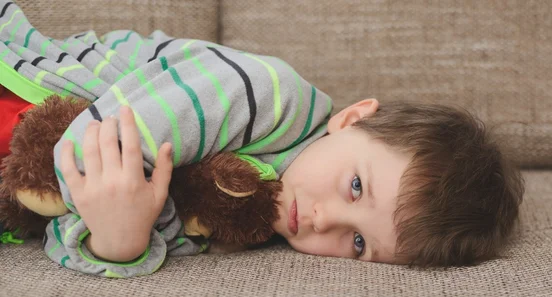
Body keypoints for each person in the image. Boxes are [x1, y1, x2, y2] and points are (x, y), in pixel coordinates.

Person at [0, 1, 524, 277]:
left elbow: (57, 232)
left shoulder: (246, 219)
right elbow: (98, 143)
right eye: (356, 188)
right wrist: (98, 201)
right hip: (30, 92)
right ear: (353, 119)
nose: (325, 221)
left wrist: (119, 245)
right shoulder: (271, 96)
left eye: (359, 243)